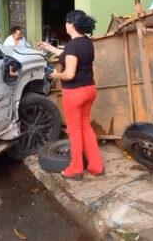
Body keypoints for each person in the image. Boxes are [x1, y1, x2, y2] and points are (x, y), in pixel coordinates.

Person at [39, 10, 104, 180]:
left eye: (67, 22)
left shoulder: (72, 45)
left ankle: (75, 169)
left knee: (74, 132)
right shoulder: (86, 43)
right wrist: (50, 48)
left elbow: (69, 74)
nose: (65, 25)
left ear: (72, 24)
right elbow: (70, 56)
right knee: (85, 127)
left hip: (74, 93)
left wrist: (55, 75)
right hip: (89, 90)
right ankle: (96, 166)